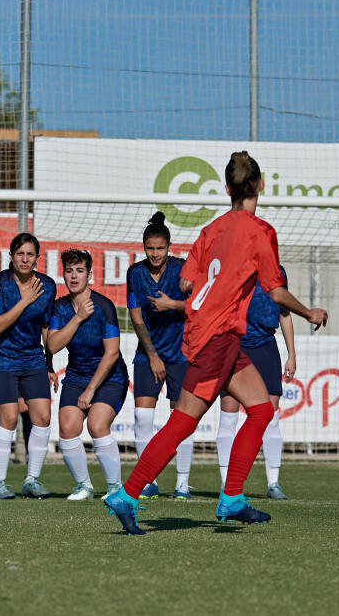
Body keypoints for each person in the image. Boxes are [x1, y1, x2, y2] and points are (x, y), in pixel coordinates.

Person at [103, 151, 328, 535]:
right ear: (260, 185)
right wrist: (309, 313)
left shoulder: (210, 230)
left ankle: (232, 499)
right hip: (217, 337)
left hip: (210, 332)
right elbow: (275, 292)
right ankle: (126, 494)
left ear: (226, 189)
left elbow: (188, 283)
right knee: (183, 422)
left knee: (259, 410)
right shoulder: (261, 232)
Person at [44, 249, 129, 501]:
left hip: (109, 377)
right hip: (77, 375)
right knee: (68, 427)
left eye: (79, 271)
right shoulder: (59, 307)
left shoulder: (104, 306)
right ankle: (84, 486)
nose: (74, 276)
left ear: (90, 275)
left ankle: (115, 488)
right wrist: (79, 318)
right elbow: (52, 345)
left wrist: (91, 390)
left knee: (96, 424)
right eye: (69, 271)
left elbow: (112, 353)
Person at [125, 212, 195, 500]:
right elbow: (135, 315)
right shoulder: (135, 273)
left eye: (160, 248)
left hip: (180, 353)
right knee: (142, 417)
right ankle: (147, 481)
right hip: (148, 355)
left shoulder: (183, 269)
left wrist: (172, 305)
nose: (155, 254)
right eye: (150, 248)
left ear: (169, 247)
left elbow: (197, 307)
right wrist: (152, 355)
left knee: (182, 419)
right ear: (144, 247)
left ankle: (182, 484)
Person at [0, 233, 58, 499]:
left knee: (43, 417)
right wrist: (25, 300)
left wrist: (49, 364)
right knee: (10, 418)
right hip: (2, 358)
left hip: (33, 359)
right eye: (20, 253)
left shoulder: (48, 286)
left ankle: (32, 480)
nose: (25, 259)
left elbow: (47, 328)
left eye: (30, 254)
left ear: (37, 257)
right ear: (11, 255)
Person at [215, 267, 296, 500]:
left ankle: (273, 483)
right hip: (235, 345)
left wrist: (292, 354)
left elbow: (285, 313)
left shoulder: (278, 272)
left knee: (271, 416)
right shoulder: (234, 266)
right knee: (228, 414)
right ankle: (225, 483)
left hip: (266, 347)